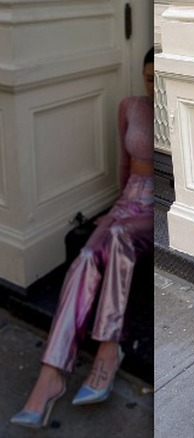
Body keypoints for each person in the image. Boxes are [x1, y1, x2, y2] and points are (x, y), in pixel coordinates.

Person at [11, 48, 155, 429]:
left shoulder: (172, 112)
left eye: (159, 77)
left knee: (120, 240)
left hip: (155, 208)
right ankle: (51, 374)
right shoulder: (130, 106)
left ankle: (109, 349)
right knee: (88, 254)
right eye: (147, 77)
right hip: (128, 202)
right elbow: (125, 168)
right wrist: (112, 212)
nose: (151, 83)